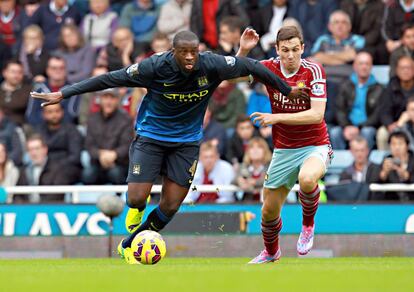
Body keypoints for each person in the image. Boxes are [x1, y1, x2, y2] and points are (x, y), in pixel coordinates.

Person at [30, 30, 308, 264]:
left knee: (172, 204)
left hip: (186, 142)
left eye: (193, 52)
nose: (189, 58)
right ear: (173, 51)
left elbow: (251, 67)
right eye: (183, 52)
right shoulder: (154, 67)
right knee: (138, 197)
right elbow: (109, 78)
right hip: (151, 136)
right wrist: (64, 93)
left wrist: (286, 89)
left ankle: (131, 244)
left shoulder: (209, 64)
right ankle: (135, 212)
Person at [237, 26, 332, 263]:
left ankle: (308, 226)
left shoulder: (313, 70)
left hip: (315, 145)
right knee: (268, 211)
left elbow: (317, 114)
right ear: (277, 50)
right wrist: (243, 51)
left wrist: (276, 118)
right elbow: (234, 76)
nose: (290, 55)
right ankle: (271, 252)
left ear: (302, 48)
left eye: (295, 49)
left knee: (308, 179)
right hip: (284, 149)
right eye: (285, 50)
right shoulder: (269, 67)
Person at [330, 51, 383, 150]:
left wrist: (359, 128)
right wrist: (346, 126)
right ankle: (341, 164)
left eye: (367, 64)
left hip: (367, 127)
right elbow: (339, 109)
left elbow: (377, 115)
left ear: (371, 67)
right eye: (361, 63)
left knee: (367, 132)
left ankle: (366, 163)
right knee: (335, 133)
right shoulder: (344, 86)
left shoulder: (379, 89)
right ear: (354, 66)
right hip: (347, 126)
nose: (364, 67)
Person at [83, 88, 133, 185]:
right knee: (87, 174)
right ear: (100, 100)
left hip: (119, 164)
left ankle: (118, 200)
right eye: (105, 97)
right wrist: (100, 154)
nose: (108, 102)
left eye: (112, 98)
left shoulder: (125, 119)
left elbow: (127, 145)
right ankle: (91, 200)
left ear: (117, 100)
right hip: (97, 163)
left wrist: (114, 155)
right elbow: (89, 144)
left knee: (116, 173)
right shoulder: (92, 119)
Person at [36, 103, 83, 184]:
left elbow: (75, 157)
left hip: (69, 167)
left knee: (59, 176)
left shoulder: (72, 130)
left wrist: (57, 165)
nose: (54, 115)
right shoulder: (39, 131)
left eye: (57, 111)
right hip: (46, 166)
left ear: (62, 112)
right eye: (50, 112)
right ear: (44, 114)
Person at [379, 130, 414, 201]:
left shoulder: (412, 159)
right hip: (393, 203)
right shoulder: (387, 159)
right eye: (393, 144)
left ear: (407, 146)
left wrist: (400, 170)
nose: (397, 147)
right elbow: (378, 181)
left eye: (400, 144)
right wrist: (385, 172)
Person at [234, 137, 271, 201]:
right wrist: (239, 181)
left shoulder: (271, 167)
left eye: (259, 147)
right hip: (248, 206)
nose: (255, 150)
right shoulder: (242, 166)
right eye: (252, 148)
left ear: (265, 151)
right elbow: (233, 180)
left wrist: (255, 182)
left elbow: (269, 179)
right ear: (248, 151)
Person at [0, 60, 31, 127]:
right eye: (13, 72)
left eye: (20, 72)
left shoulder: (29, 90)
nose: (16, 75)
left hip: (20, 127)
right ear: (4, 73)